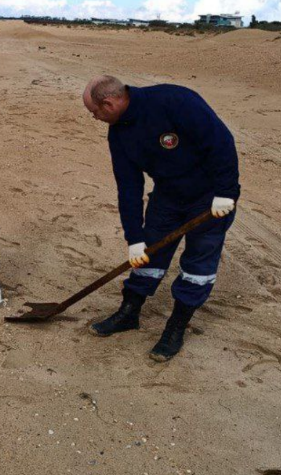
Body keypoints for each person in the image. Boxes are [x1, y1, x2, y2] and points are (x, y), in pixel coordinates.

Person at [83, 76, 239, 361]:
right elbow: (128, 187)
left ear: (108, 103)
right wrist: (134, 238)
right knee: (148, 255)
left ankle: (176, 326)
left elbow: (220, 142)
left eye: (94, 112)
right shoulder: (118, 133)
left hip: (209, 199)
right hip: (167, 197)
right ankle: (129, 312)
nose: (94, 118)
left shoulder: (175, 101)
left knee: (198, 265)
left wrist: (226, 192)